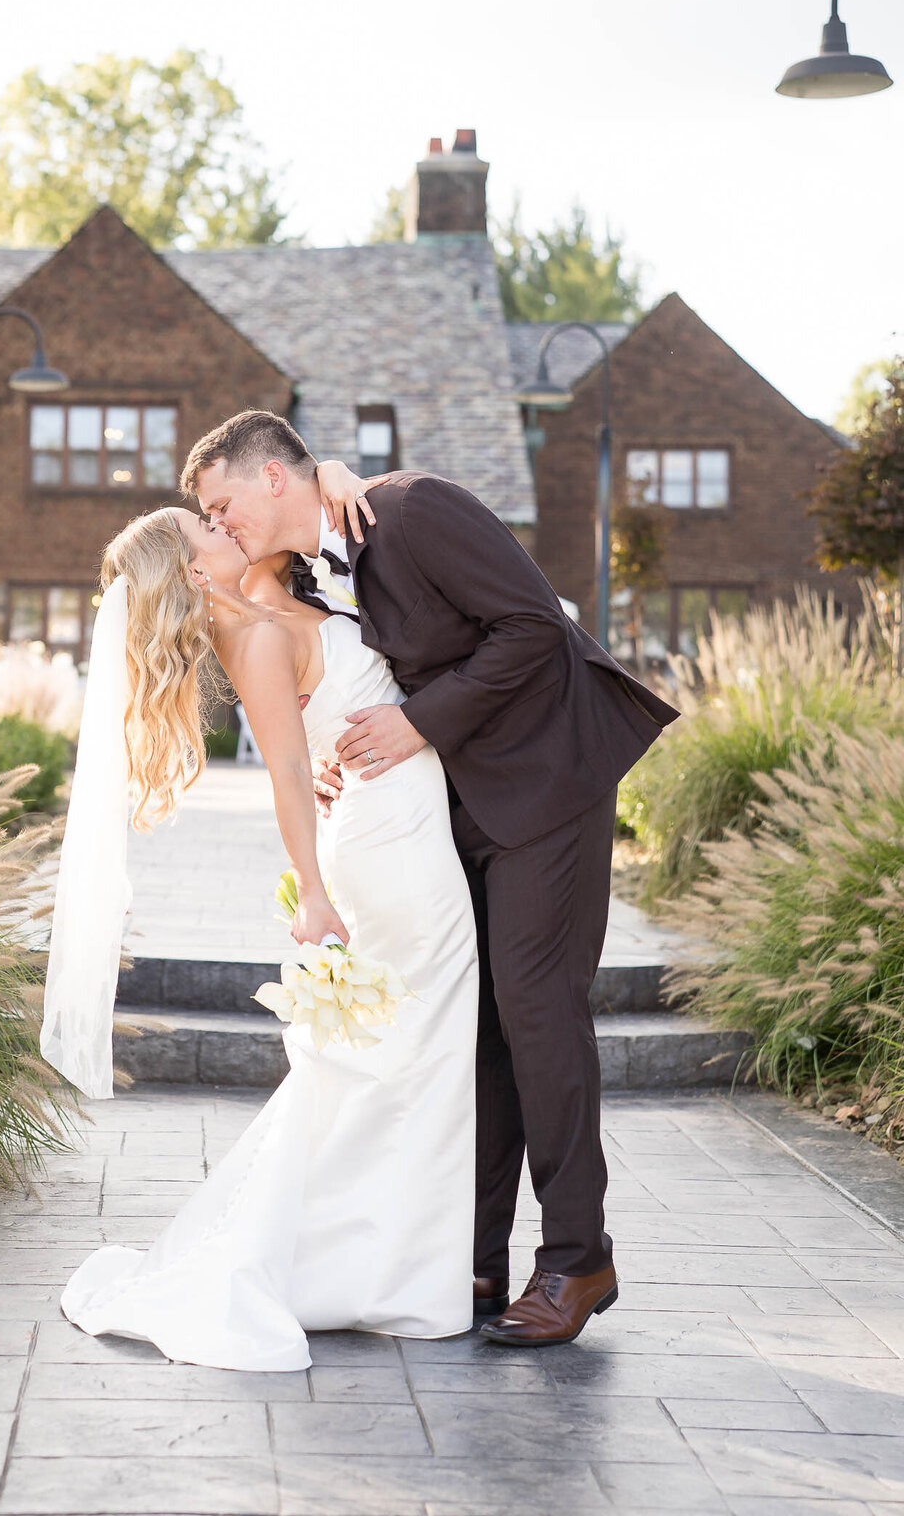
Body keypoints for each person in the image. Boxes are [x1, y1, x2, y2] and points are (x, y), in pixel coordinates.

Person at [184, 410, 678, 1348]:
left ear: (273, 477)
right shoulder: (305, 568)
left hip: (547, 778)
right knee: (480, 1027)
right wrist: (336, 751)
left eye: (222, 504)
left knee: (537, 1010)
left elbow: (534, 627)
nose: (220, 523)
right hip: (452, 807)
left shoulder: (414, 509)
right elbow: (351, 671)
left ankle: (578, 1259)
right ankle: (473, 1256)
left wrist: (417, 724)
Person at [45, 503, 479, 1372]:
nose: (221, 525)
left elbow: (305, 513)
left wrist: (338, 481)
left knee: (405, 1053)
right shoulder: (252, 637)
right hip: (390, 849)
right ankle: (386, 1273)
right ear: (193, 570)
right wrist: (312, 893)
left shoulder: (266, 603)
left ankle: (389, 1266)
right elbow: (284, 769)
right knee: (418, 1049)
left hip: (395, 824)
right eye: (205, 528)